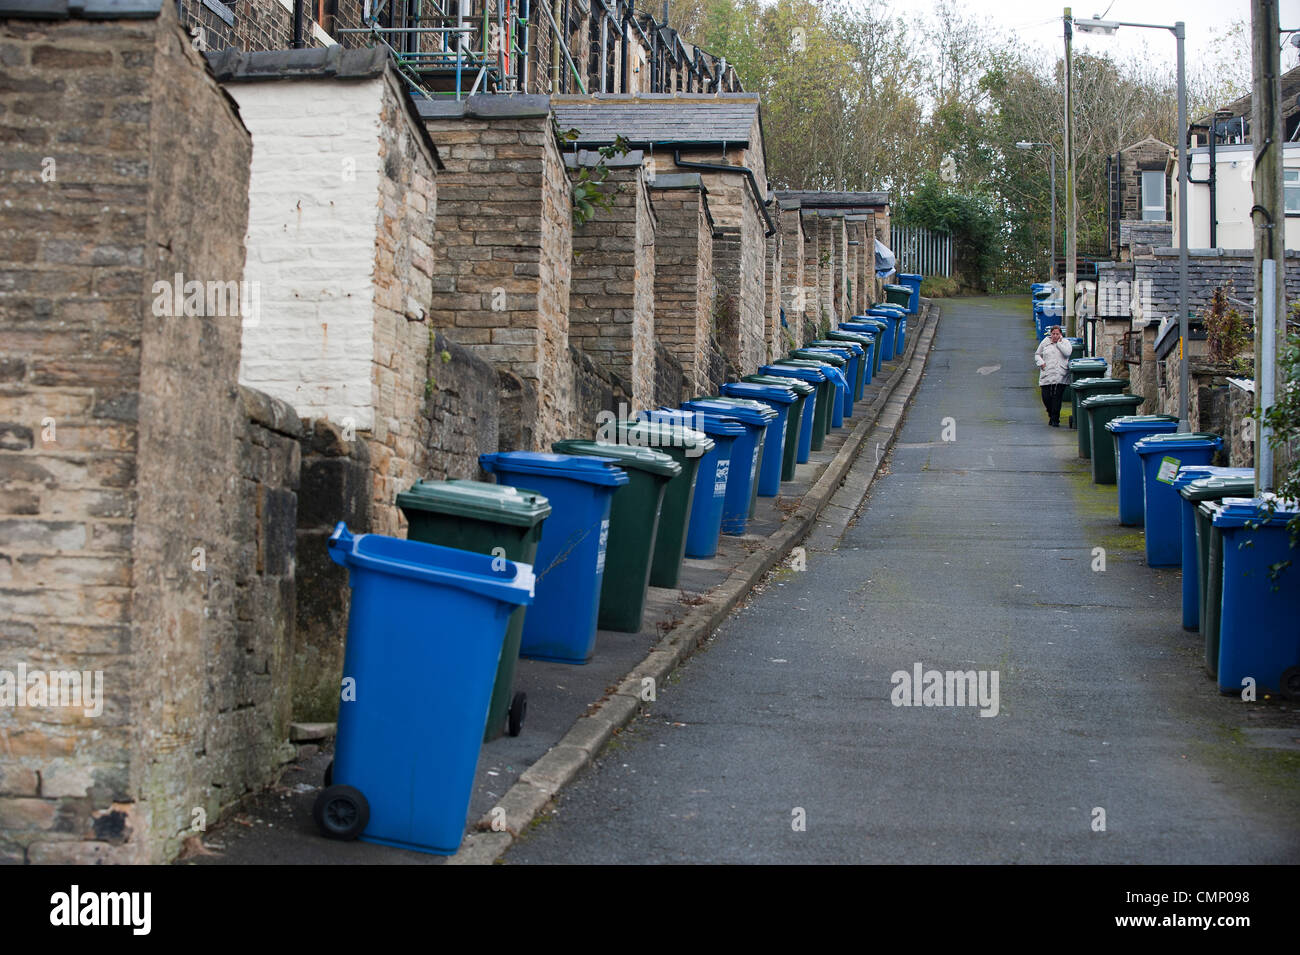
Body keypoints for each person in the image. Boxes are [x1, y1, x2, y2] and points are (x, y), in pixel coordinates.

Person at [1035, 325, 1072, 427]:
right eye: (1053, 334)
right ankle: (1051, 413)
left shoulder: (1065, 343)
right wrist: (1041, 362)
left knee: (1057, 397)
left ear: (1061, 334)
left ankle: (1055, 419)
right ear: (1050, 334)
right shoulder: (1045, 342)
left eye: (1057, 334)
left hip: (1060, 375)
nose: (1055, 336)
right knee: (1046, 397)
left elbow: (1067, 353)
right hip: (1047, 374)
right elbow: (1037, 354)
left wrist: (1059, 344)